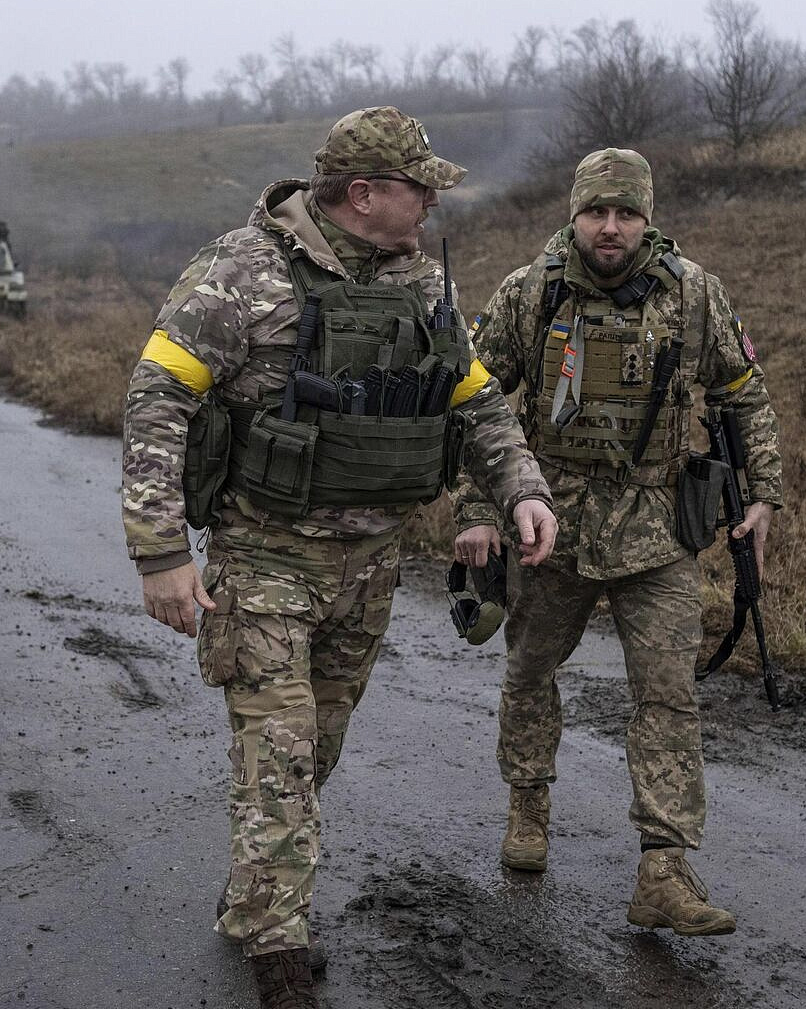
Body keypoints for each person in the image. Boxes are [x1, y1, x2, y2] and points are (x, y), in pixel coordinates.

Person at [121, 107, 558, 1008]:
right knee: (278, 753)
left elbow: (472, 400)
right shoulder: (241, 271)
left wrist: (523, 487)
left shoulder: (416, 280)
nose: (433, 202)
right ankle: (279, 955)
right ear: (364, 194)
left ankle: (256, 893)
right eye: (420, 187)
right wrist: (160, 549)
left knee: (313, 749)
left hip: (373, 565)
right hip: (266, 558)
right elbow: (157, 397)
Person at [453, 148, 783, 937]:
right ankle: (528, 808)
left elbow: (743, 393)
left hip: (658, 532)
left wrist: (764, 493)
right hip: (548, 524)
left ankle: (664, 869)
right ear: (574, 214)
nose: (611, 227)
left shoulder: (694, 294)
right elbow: (472, 397)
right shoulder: (530, 292)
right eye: (598, 211)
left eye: (626, 213)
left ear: (647, 217)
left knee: (666, 696)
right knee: (529, 672)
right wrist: (475, 506)